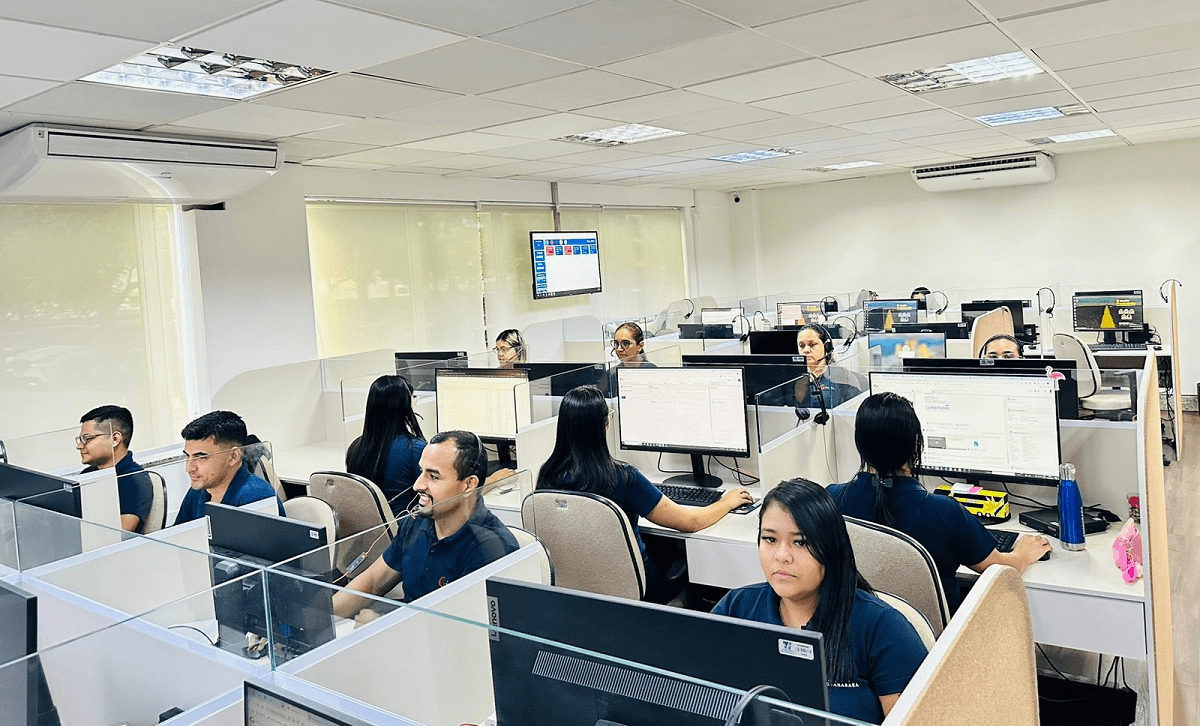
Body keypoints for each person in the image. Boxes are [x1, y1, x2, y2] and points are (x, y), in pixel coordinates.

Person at [712, 479, 927, 724]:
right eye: (770, 539)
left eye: (801, 542)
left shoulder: (881, 626)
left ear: (830, 548)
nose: (781, 556)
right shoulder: (736, 608)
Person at [828, 393, 1051, 610]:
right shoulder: (944, 511)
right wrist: (1022, 554)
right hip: (933, 634)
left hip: (864, 629)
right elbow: (1000, 569)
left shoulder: (832, 500)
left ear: (860, 444)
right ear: (915, 444)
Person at [536, 385, 752, 601]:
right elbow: (691, 522)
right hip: (639, 588)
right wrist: (726, 502)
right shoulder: (622, 478)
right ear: (604, 425)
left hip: (574, 590)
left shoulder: (548, 475)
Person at [333, 430, 519, 616]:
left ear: (469, 485)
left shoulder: (490, 549)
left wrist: (382, 621)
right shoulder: (416, 523)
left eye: (433, 476)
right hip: (411, 626)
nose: (417, 485)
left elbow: (459, 625)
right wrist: (323, 618)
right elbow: (372, 583)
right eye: (421, 471)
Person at [173, 411, 284, 525]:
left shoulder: (257, 498)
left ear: (233, 456)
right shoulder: (198, 490)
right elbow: (179, 533)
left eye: (201, 457)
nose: (189, 468)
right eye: (188, 456)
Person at [345, 375, 426, 516]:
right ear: (404, 405)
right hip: (404, 525)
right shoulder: (415, 449)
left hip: (372, 526)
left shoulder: (356, 447)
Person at [76, 405, 153, 533]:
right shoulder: (87, 475)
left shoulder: (134, 480)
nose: (79, 446)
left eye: (87, 439)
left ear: (115, 439)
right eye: (80, 440)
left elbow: (118, 535)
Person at [792, 324, 862, 409]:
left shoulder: (843, 377)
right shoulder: (794, 379)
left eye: (812, 344)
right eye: (801, 346)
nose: (806, 350)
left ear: (826, 347)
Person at [608, 321, 656, 395]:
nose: (619, 349)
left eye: (625, 343)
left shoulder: (652, 372)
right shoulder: (611, 374)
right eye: (616, 343)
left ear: (640, 346)